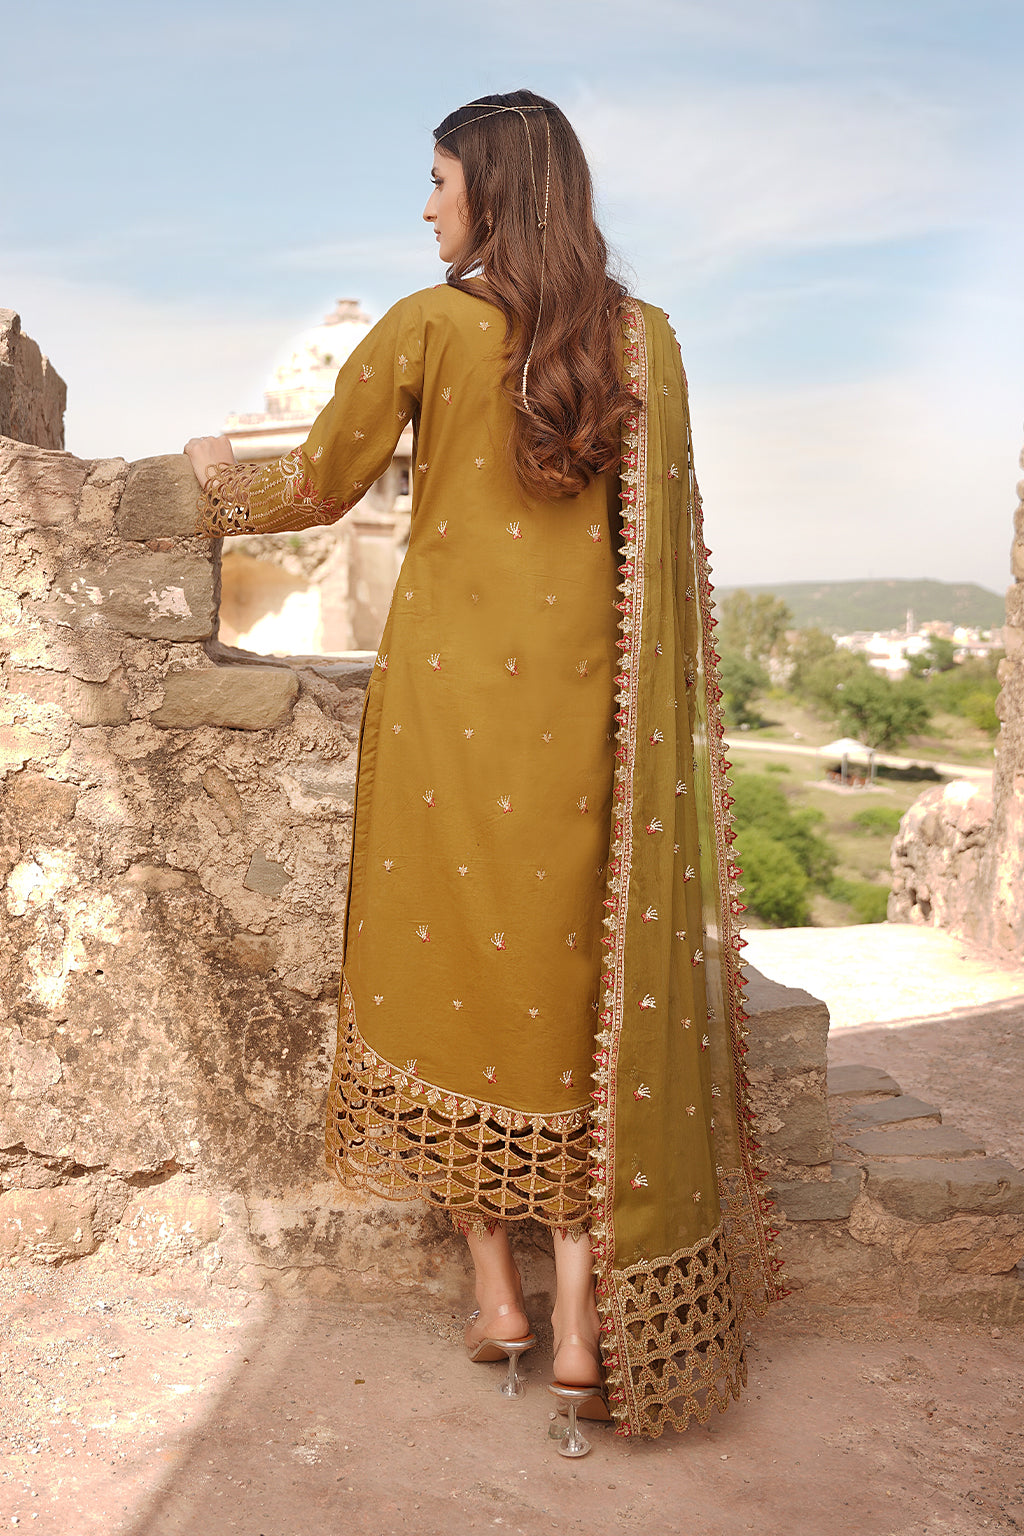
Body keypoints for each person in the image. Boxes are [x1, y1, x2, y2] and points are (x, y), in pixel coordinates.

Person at [185, 89, 783, 1446]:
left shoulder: (429, 325)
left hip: (446, 712)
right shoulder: (645, 342)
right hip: (592, 720)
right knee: (577, 1000)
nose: (427, 207)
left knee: (452, 971)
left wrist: (213, 475)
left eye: (440, 180)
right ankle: (578, 1332)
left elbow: (315, 486)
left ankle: (497, 1301)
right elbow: (654, 549)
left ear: (494, 193)